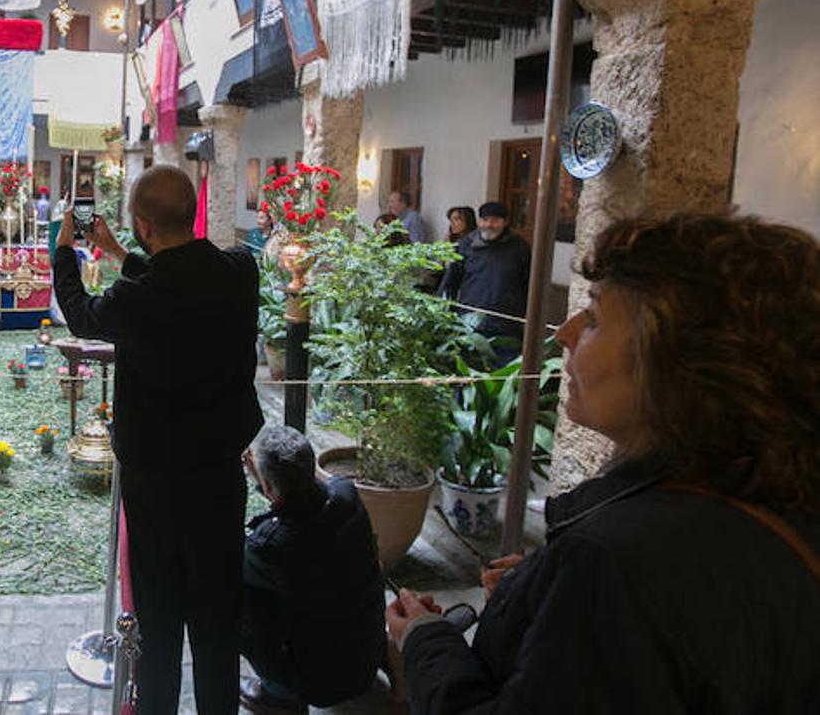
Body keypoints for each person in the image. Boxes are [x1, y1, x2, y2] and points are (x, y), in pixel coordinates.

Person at [388, 213, 820, 714]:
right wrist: (543, 590)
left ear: (679, 360)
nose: (563, 333)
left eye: (592, 318)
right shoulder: (771, 498)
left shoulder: (617, 565)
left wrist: (424, 638)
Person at [53, 164, 264, 714]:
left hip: (155, 487)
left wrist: (65, 250)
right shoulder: (242, 272)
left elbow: (80, 316)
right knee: (217, 616)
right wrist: (122, 253)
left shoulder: (131, 303)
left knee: (159, 618)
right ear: (192, 214)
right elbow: (185, 277)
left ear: (143, 226)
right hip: (219, 477)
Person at [240, 426, 385, 714]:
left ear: (268, 489)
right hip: (365, 659)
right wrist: (267, 481)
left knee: (238, 605)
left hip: (315, 685)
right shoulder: (348, 496)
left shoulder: (268, 546)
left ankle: (278, 693)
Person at [437, 201, 529, 341]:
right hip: (469, 321)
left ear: (505, 222)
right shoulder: (466, 245)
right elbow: (450, 282)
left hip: (507, 325)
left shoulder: (519, 247)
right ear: (479, 221)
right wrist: (440, 311)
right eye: (484, 220)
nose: (489, 225)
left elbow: (529, 284)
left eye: (495, 221)